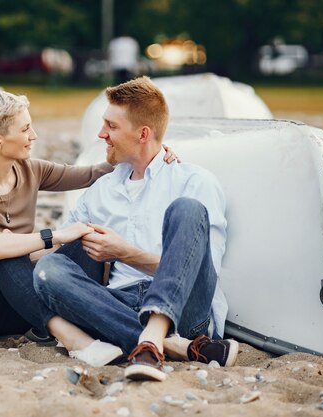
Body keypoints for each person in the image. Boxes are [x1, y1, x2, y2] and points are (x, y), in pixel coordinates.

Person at [0, 90, 178, 367]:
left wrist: (154, 151)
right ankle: (77, 340)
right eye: (25, 129)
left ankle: (81, 323)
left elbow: (93, 173)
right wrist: (56, 236)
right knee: (4, 251)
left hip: (18, 304)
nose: (34, 135)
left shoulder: (30, 170)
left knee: (86, 238)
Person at [33, 77, 239, 381]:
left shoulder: (194, 181)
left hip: (187, 314)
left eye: (111, 127)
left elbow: (203, 271)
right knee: (50, 270)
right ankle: (169, 346)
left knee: (187, 208)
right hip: (117, 302)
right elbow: (62, 252)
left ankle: (156, 335)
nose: (101, 134)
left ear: (143, 134)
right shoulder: (101, 190)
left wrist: (125, 254)